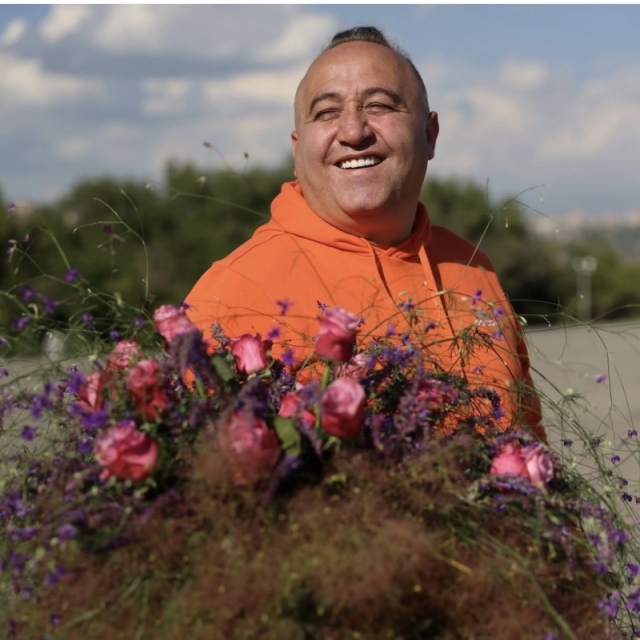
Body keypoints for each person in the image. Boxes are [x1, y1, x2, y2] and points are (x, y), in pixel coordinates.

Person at [184, 26, 544, 439]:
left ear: (429, 135)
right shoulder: (234, 293)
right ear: (297, 149)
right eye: (327, 112)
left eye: (380, 106)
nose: (354, 132)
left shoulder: (472, 268)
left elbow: (528, 445)